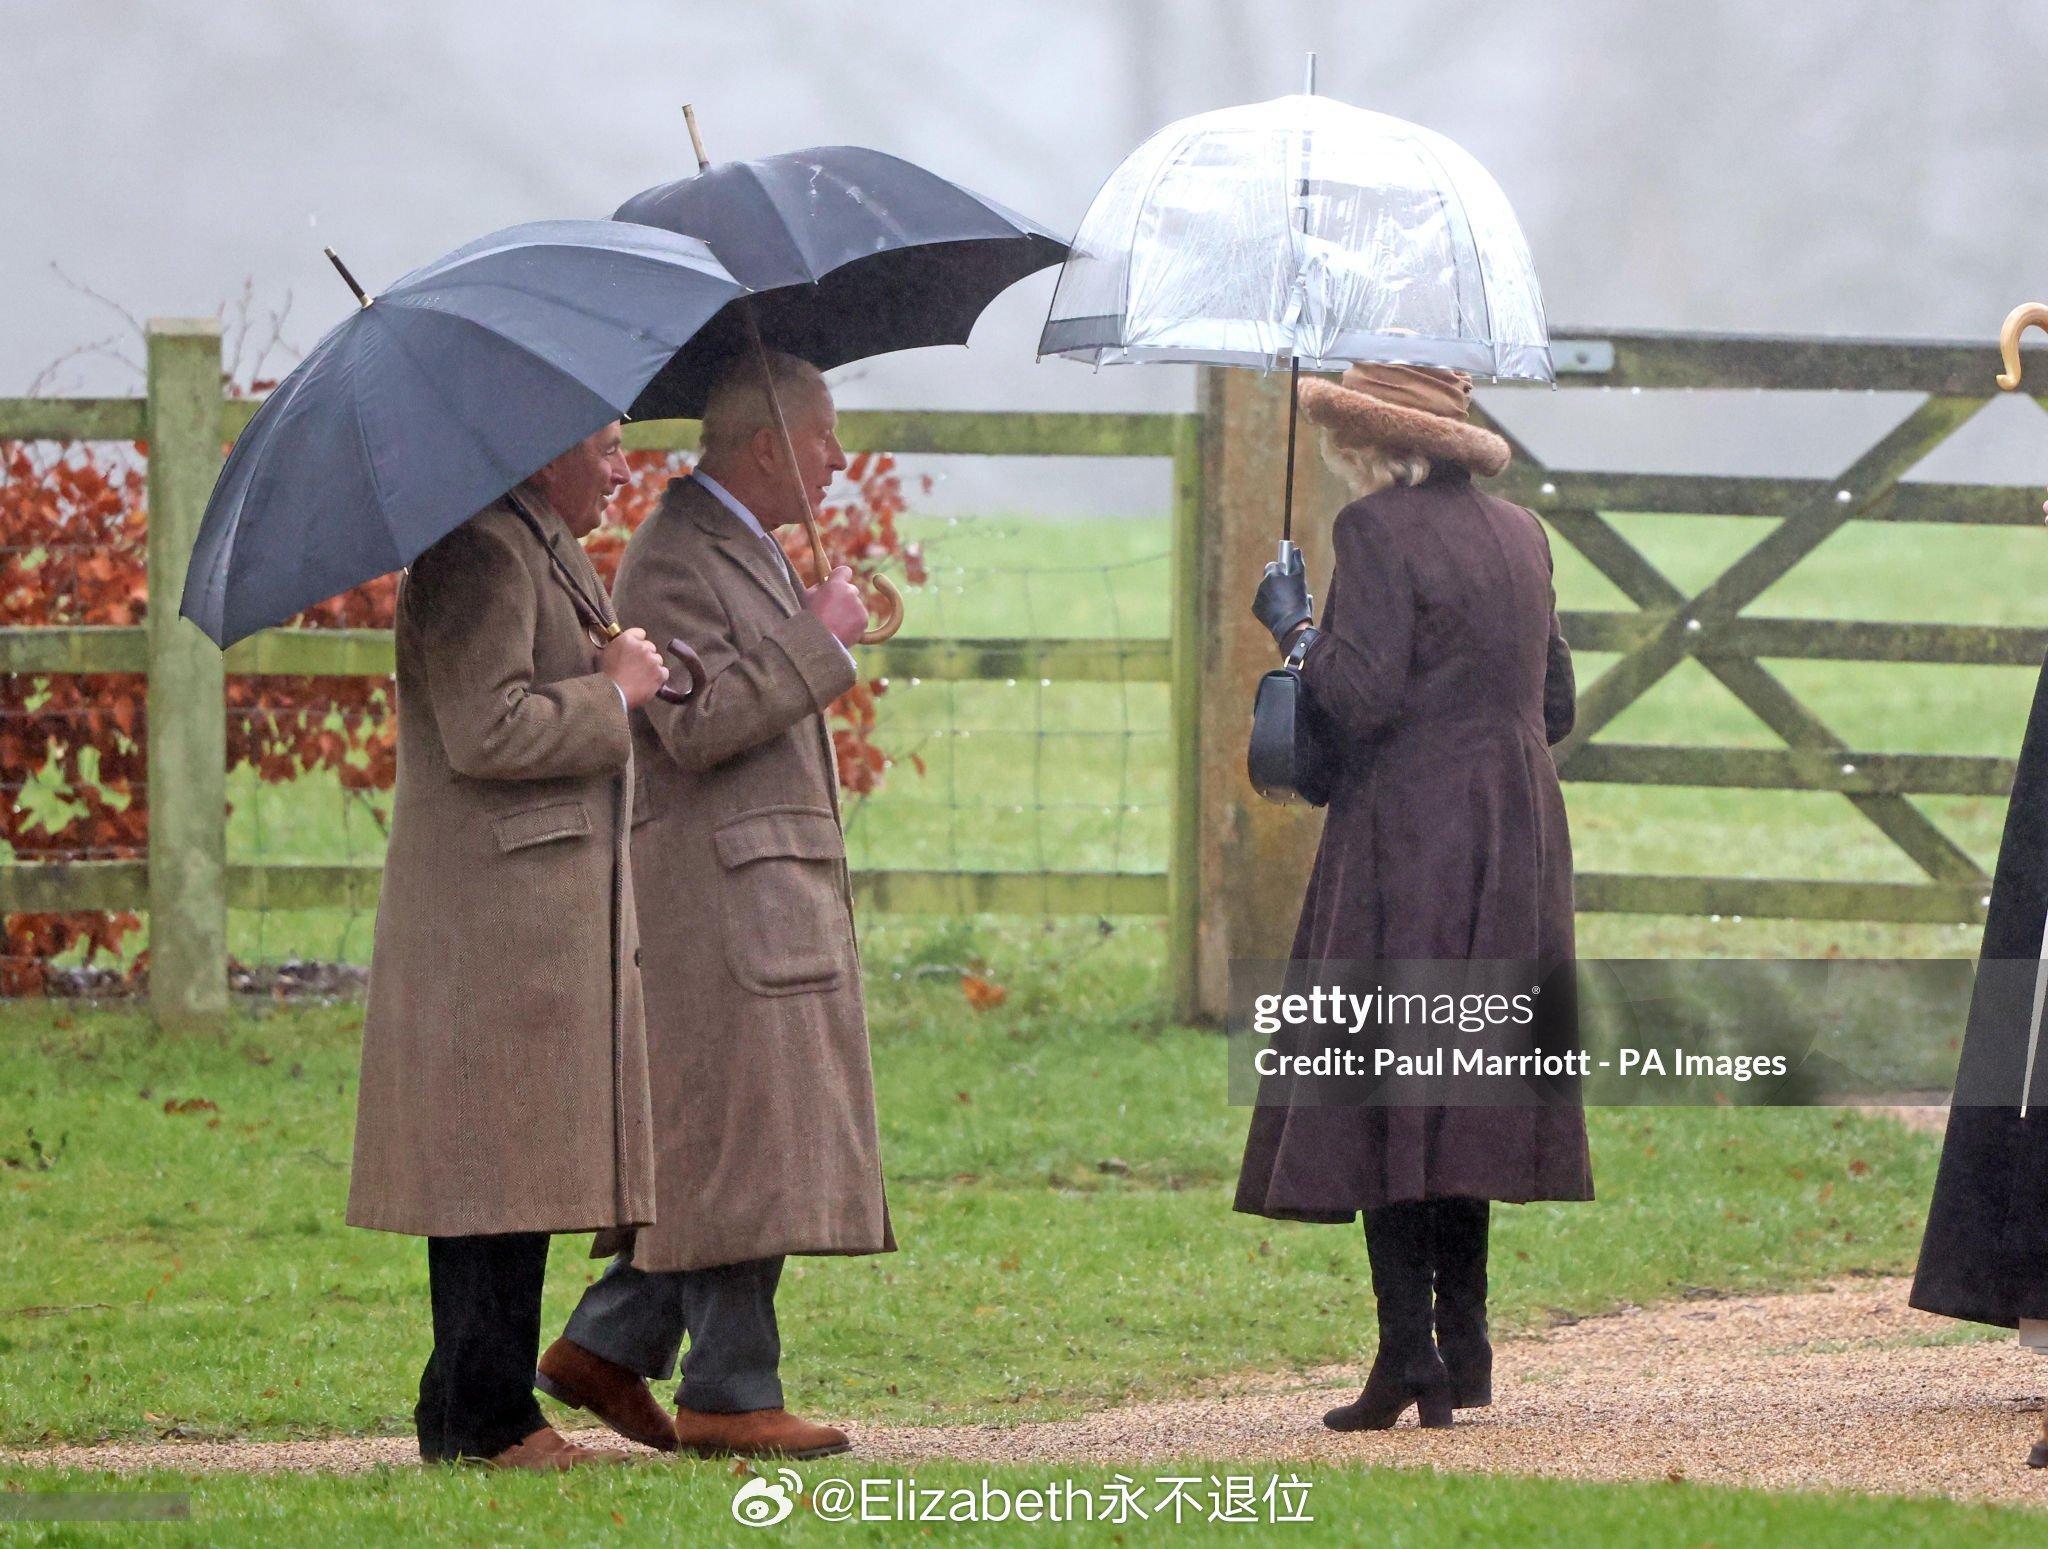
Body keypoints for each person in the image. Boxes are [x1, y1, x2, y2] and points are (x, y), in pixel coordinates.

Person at [536, 351, 891, 1461]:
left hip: (761, 891)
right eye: (822, 435)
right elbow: (694, 725)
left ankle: (607, 1341)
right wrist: (817, 636)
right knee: (741, 1140)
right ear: (765, 447)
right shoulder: (675, 559)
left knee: (738, 1137)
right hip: (716, 897)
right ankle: (730, 1392)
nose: (838, 458)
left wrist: (815, 619)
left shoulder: (739, 546)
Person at [1232, 363, 1592, 1431]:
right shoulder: (1520, 535)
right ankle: (1464, 1341)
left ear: (1366, 444)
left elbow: (1360, 694)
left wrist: (1293, 629)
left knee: (1387, 1081)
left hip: (1408, 834)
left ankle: (1406, 1354)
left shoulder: (1375, 532)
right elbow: (1556, 700)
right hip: (1515, 831)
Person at [345, 421, 668, 1470]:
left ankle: (476, 1414)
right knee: (491, 1170)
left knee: (515, 1165)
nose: (623, 469)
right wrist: (610, 692)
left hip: (531, 910)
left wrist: (621, 670)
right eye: (607, 447)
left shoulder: (528, 539)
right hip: (494, 916)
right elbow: (485, 730)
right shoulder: (479, 551)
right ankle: (484, 1419)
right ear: (542, 452)